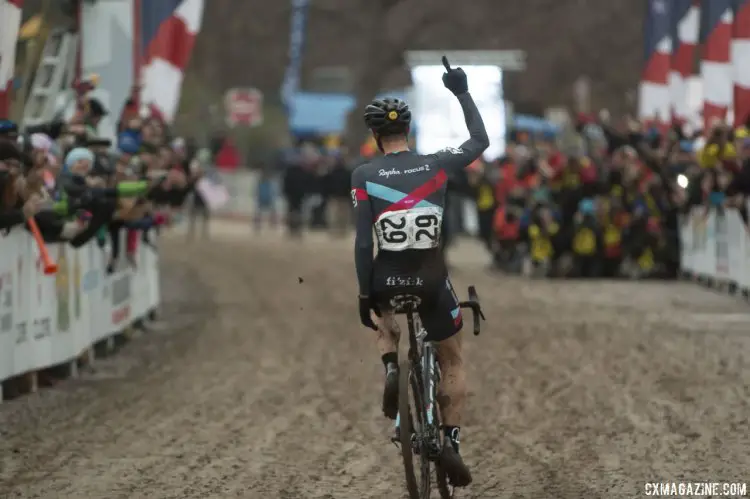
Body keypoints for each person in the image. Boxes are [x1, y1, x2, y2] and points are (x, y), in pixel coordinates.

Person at [350, 62, 489, 487]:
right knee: (452, 359)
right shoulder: (437, 164)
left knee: (383, 318)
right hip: (431, 279)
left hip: (387, 277)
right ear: (408, 130)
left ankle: (391, 364)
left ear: (376, 138)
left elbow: (361, 245)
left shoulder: (364, 176)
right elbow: (480, 141)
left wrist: (363, 295)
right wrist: (462, 92)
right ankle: (450, 438)